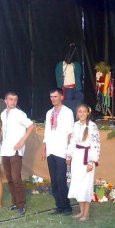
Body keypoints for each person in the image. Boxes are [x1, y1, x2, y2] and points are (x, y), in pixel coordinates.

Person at [0, 92, 35, 215]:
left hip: (16, 150)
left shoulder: (19, 114)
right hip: (5, 149)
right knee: (9, 178)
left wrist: (22, 141)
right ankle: (15, 202)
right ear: (6, 101)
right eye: (11, 99)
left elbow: (31, 126)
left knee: (16, 178)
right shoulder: (3, 114)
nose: (13, 102)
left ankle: (21, 204)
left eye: (15, 100)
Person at [42, 88, 74, 216]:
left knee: (61, 180)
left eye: (55, 96)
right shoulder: (49, 113)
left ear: (61, 97)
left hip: (62, 150)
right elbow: (46, 132)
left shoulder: (67, 112)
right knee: (54, 180)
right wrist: (44, 148)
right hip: (51, 150)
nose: (53, 99)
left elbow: (70, 133)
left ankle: (66, 207)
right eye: (51, 97)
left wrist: (69, 152)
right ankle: (59, 206)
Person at [66, 104, 100, 221]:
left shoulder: (92, 126)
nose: (82, 114)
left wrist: (91, 161)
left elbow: (96, 144)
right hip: (77, 157)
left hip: (87, 158)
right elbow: (72, 141)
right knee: (78, 184)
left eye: (84, 111)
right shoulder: (76, 125)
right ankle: (81, 211)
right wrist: (69, 155)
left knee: (86, 185)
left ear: (87, 113)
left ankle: (86, 213)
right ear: (77, 114)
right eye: (79, 111)